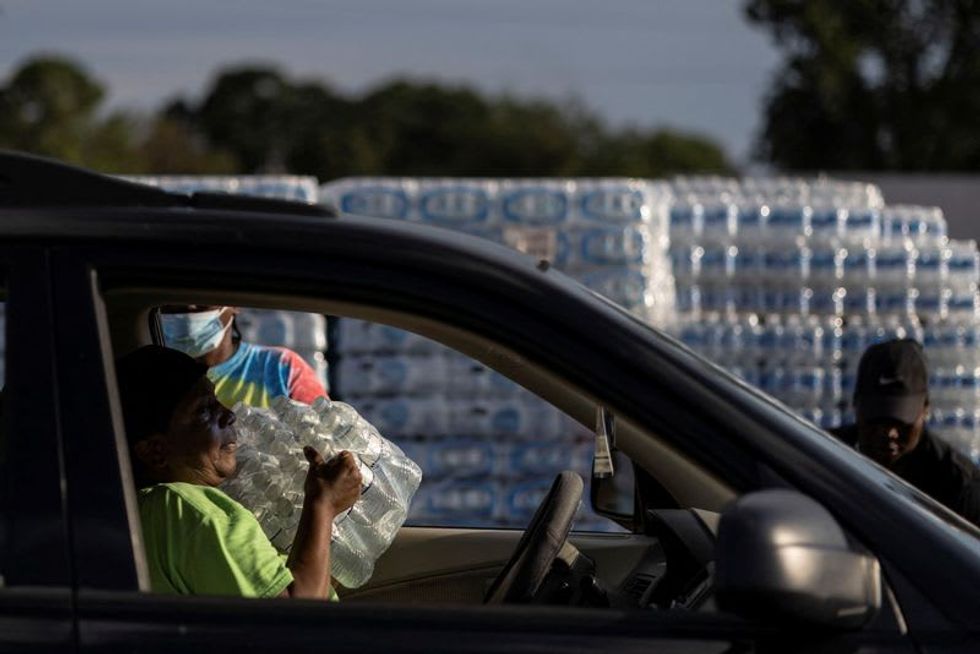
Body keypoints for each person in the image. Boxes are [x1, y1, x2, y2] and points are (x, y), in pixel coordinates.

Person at [117, 345, 361, 599]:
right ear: (155, 451)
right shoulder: (194, 513)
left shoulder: (149, 510)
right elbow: (297, 621)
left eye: (217, 402)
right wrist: (323, 503)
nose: (229, 414)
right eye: (204, 411)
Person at [831, 338, 980, 526]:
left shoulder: (958, 488)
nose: (890, 433)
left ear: (925, 409)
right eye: (877, 421)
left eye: (902, 422)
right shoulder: (820, 459)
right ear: (855, 405)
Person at [159, 305, 327, 408]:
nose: (189, 308)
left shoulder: (282, 369)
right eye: (176, 303)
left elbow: (326, 440)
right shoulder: (151, 374)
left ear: (234, 305)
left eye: (202, 300)